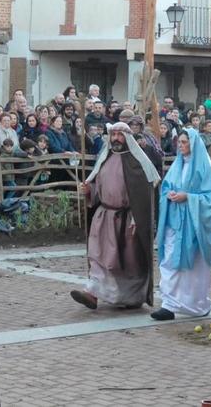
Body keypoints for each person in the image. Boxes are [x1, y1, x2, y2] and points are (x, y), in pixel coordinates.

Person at [70, 122, 160, 310]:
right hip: (103, 216)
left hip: (127, 219)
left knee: (126, 262)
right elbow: (98, 186)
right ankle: (92, 293)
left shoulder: (137, 162)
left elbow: (145, 194)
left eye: (120, 135)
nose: (116, 138)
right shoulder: (105, 158)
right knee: (97, 256)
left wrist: (138, 217)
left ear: (127, 137)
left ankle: (131, 297)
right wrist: (88, 189)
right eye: (113, 135)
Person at [151, 129, 211, 320]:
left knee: (193, 267)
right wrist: (170, 195)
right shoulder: (176, 165)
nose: (180, 146)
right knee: (169, 262)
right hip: (175, 223)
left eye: (184, 142)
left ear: (194, 144)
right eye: (179, 142)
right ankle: (169, 304)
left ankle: (196, 304)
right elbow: (166, 186)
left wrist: (188, 197)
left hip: (194, 226)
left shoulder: (204, 168)